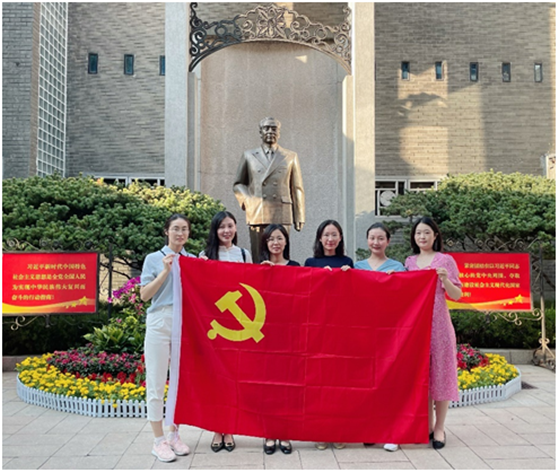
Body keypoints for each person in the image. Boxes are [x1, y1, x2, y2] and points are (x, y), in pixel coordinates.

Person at [139, 214, 195, 462]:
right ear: (166, 231)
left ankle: (174, 434)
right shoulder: (154, 258)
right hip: (160, 321)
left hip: (184, 324)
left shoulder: (192, 260)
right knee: (156, 380)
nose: (180, 233)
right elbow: (144, 295)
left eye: (184, 229)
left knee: (179, 382)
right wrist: (165, 271)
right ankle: (158, 439)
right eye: (175, 229)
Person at [404, 216, 462, 450]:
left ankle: (439, 427)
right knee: (423, 377)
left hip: (439, 326)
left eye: (427, 232)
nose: (422, 237)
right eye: (418, 233)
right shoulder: (409, 262)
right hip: (416, 327)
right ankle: (426, 425)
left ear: (435, 235)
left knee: (441, 375)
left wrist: (445, 279)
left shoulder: (445, 260)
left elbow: (457, 295)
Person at [199, 210, 252, 452]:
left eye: (230, 226)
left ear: (236, 228)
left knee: (232, 378)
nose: (226, 231)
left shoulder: (244, 254)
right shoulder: (205, 256)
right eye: (222, 227)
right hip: (213, 325)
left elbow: (253, 286)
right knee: (214, 378)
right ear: (215, 230)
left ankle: (228, 427)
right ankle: (216, 428)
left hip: (237, 326)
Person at [354, 222, 404, 453]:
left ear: (388, 241)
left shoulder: (398, 267)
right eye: (372, 238)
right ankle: (370, 429)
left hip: (390, 333)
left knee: (390, 382)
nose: (376, 242)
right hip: (364, 334)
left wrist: (399, 281)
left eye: (380, 238)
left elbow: (405, 298)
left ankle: (392, 432)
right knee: (367, 383)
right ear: (367, 241)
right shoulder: (357, 267)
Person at [305, 219, 352, 450]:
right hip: (317, 330)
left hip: (341, 329)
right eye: (326, 235)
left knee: (339, 383)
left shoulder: (347, 262)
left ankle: (339, 431)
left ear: (340, 238)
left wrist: (349, 276)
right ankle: (320, 431)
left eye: (334, 235)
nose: (330, 239)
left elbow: (355, 294)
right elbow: (303, 293)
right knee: (318, 382)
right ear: (320, 238)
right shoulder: (310, 263)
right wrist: (318, 277)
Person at [233, 117, 305, 262]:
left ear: (279, 132)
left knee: (282, 257)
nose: (270, 131)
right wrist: (249, 200)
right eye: (266, 128)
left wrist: (299, 215)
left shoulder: (290, 156)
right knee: (259, 257)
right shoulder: (249, 155)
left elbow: (297, 187)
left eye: (274, 128)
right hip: (257, 211)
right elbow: (238, 184)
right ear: (260, 132)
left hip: (282, 211)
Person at [259, 224, 299, 455]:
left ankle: (284, 431)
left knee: (287, 385)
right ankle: (268, 432)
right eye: (271, 239)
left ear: (286, 241)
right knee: (267, 385)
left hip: (289, 333)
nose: (275, 243)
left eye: (279, 238)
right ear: (265, 243)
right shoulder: (259, 268)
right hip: (264, 334)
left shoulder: (295, 267)